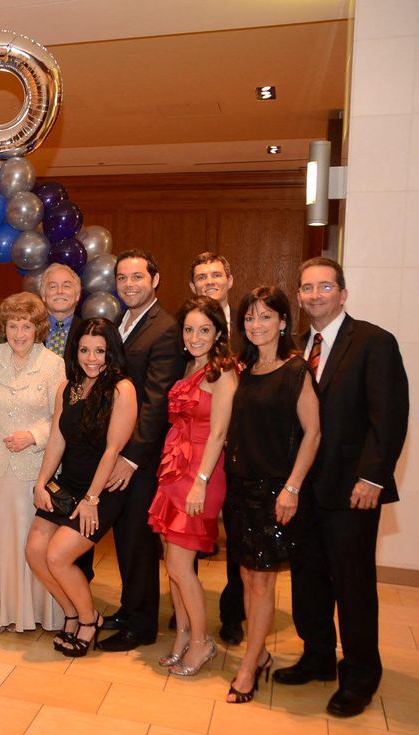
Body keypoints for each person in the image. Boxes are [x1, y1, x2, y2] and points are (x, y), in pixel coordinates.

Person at [273, 258, 408, 718]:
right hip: (302, 488)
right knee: (307, 580)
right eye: (307, 287)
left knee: (352, 586)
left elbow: (389, 418)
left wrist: (373, 477)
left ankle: (361, 675)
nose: (314, 295)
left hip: (352, 490)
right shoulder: (295, 349)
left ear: (343, 293)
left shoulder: (373, 342)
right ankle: (316, 659)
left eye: (325, 286)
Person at [223, 285, 320, 704]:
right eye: (250, 317)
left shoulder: (296, 371)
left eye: (266, 316)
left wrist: (292, 488)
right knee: (246, 574)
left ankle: (249, 665)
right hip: (240, 488)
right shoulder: (243, 370)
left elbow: (314, 434)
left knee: (261, 579)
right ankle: (258, 650)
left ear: (283, 321)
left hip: (276, 491)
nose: (256, 324)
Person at [25, 318, 137, 657]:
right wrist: (42, 481)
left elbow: (112, 451)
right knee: (34, 552)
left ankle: (90, 620)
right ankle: (71, 613)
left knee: (58, 556)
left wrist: (91, 499)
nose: (91, 358)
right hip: (69, 483)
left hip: (101, 491)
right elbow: (58, 438)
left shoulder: (122, 389)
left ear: (111, 352)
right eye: (85, 350)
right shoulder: (67, 387)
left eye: (100, 351)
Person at [99, 249, 185, 651]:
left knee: (138, 540)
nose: (128, 284)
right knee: (124, 538)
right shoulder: (122, 322)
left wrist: (131, 458)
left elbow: (157, 402)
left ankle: (141, 625)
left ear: (155, 279)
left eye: (137, 277)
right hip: (116, 451)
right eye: (122, 278)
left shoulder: (165, 328)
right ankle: (129, 607)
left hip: (141, 459)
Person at [147, 295, 238, 674]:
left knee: (182, 566)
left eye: (204, 329)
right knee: (171, 563)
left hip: (202, 471)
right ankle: (183, 635)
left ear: (218, 332)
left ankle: (202, 643)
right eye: (189, 329)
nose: (196, 336)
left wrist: (200, 482)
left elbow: (218, 434)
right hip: (174, 468)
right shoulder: (189, 367)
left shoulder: (223, 372)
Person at [0, 292, 66, 635]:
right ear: (4, 327)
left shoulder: (53, 363)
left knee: (30, 541)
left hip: (34, 468)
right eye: (13, 325)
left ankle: (37, 612)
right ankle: (1, 612)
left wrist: (33, 435)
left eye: (26, 326)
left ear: (38, 328)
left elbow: (60, 418)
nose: (19, 333)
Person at [188, 251, 245, 646]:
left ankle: (232, 615)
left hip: (241, 453)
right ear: (192, 286)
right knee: (185, 534)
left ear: (229, 279)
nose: (209, 280)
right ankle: (186, 611)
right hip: (197, 451)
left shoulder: (251, 327)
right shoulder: (188, 331)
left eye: (215, 274)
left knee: (238, 538)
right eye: (201, 276)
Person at [40, 264, 81, 357]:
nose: (59, 291)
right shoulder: (30, 330)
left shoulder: (89, 331)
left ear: (77, 295)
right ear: (43, 295)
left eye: (66, 286)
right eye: (53, 286)